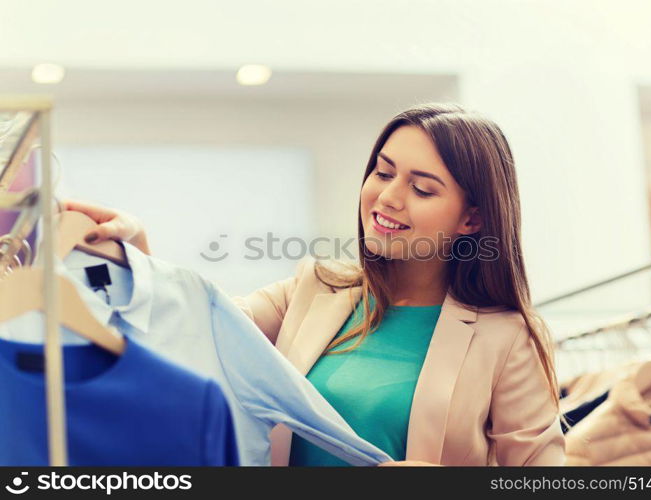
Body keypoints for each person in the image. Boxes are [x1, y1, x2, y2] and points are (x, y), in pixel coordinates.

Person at [63, 103, 565, 466]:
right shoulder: (317, 286)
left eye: (421, 188)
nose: (387, 197)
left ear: (472, 219)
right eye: (382, 172)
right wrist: (141, 251)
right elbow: (199, 327)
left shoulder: (508, 336)